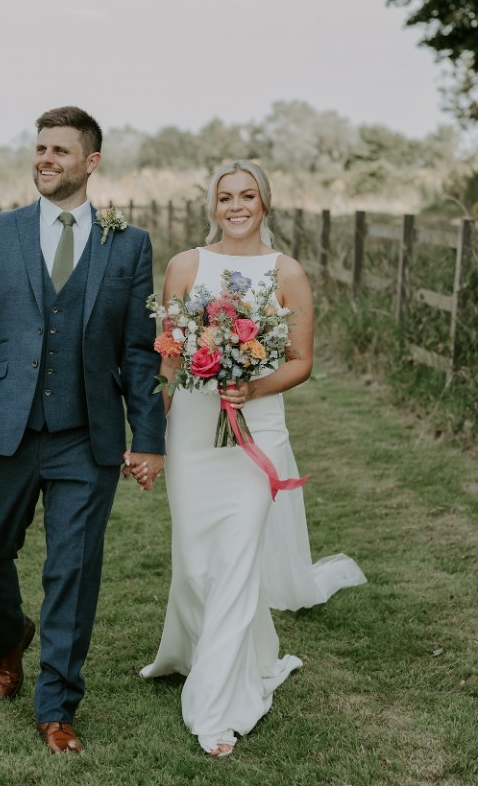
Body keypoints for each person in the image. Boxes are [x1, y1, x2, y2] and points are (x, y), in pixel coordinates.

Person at [0, 105, 166, 755]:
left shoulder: (128, 242)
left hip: (85, 435)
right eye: (39, 148)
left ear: (90, 162)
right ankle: (10, 638)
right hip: (0, 430)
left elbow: (138, 352)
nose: (45, 159)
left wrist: (147, 437)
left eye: (60, 151)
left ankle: (56, 705)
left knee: (73, 569)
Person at [140, 159, 366, 757]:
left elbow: (300, 360)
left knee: (238, 563)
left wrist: (252, 387)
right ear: (211, 206)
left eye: (247, 195)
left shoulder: (286, 272)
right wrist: (147, 432)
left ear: (266, 203)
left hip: (256, 432)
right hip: (192, 429)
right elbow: (167, 354)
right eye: (224, 196)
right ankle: (195, 652)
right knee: (194, 564)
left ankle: (216, 706)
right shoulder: (185, 266)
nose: (236, 205)